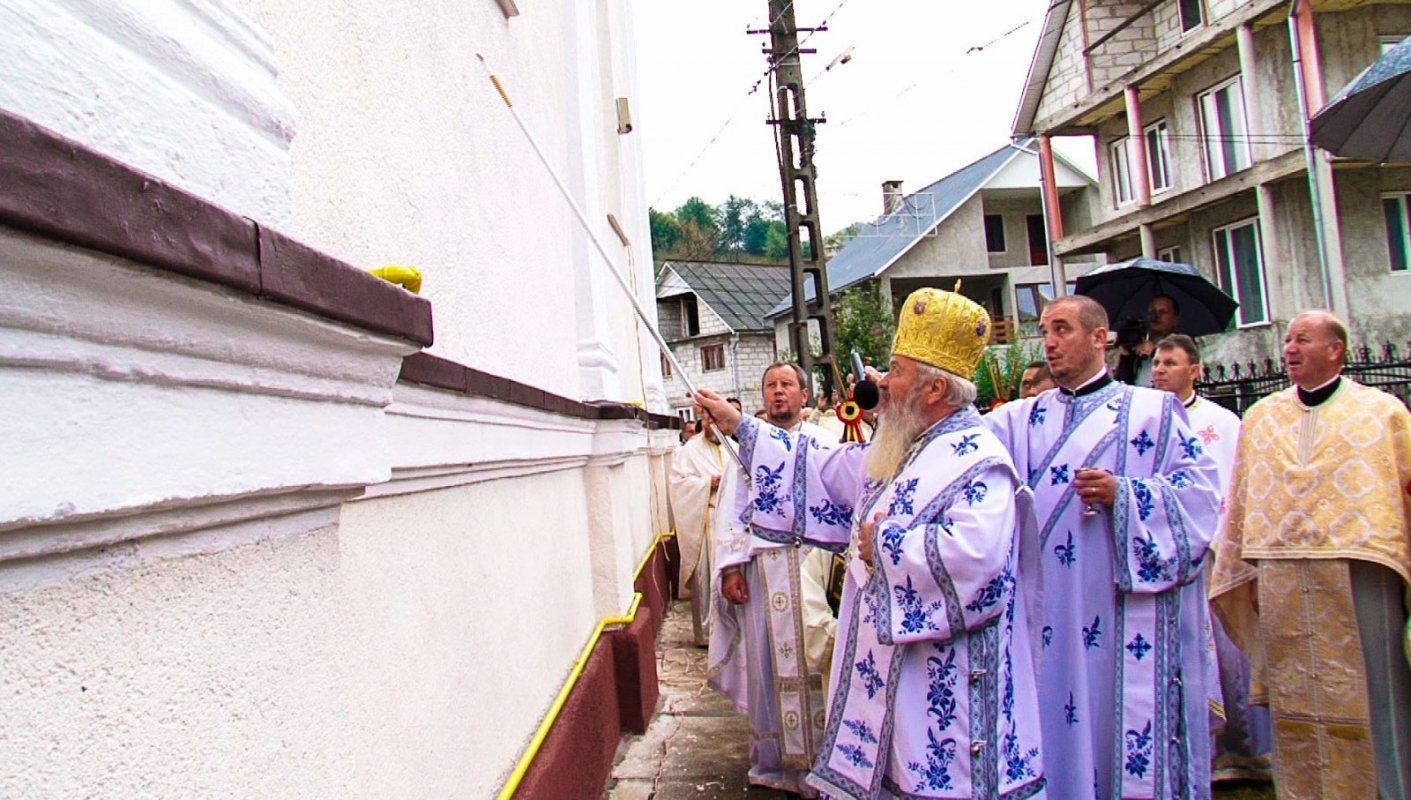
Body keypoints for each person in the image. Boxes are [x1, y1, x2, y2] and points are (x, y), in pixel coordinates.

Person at [697, 289, 1047, 799]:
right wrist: (742, 429)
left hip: (947, 685)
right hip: (894, 677)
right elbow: (823, 471)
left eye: (897, 370)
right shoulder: (906, 445)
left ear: (933, 390)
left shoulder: (977, 460)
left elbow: (977, 561)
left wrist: (882, 543)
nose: (881, 381)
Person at [984, 294, 1221, 799]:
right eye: (1045, 330)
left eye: (1063, 329)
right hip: (1044, 609)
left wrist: (1126, 495)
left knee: (1111, 717)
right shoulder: (1017, 419)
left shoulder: (1153, 412)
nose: (1049, 342)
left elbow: (1201, 498)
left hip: (1116, 609)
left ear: (1099, 337)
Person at [1210, 310, 1411, 799]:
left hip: (1361, 569)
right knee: (1294, 701)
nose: (1291, 348)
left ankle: (1391, 789)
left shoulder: (1381, 413)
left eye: (1303, 339)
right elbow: (1243, 500)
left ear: (1336, 349)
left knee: (1375, 693)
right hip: (1279, 577)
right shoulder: (1261, 417)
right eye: (1289, 340)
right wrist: (1242, 567)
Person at [705, 362, 839, 796]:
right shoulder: (745, 446)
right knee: (769, 663)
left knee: (818, 658)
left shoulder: (825, 441)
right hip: (765, 572)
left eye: (787, 385)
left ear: (804, 394)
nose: (778, 392)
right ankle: (775, 762)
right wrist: (729, 568)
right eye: (771, 386)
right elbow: (732, 509)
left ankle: (826, 759)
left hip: (813, 566)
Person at [1151, 334, 1271, 784]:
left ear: (1195, 370)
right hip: (1170, 553)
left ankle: (1246, 750)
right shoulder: (1149, 420)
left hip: (1216, 552)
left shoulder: (1222, 423)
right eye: (1158, 362)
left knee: (1230, 655)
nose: (1160, 370)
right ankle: (1201, 748)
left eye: (1171, 362)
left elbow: (1239, 485)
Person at [668, 404, 728, 647]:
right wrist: (707, 483)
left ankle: (733, 632)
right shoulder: (689, 451)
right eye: (710, 420)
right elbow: (678, 484)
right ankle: (707, 635)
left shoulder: (733, 448)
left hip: (731, 525)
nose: (715, 425)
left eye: (719, 419)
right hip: (706, 521)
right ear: (703, 420)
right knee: (707, 579)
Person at [1115, 294, 1181, 387]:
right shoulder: (1140, 340)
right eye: (1153, 312)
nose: (1156, 316)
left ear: (1175, 319)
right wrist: (1126, 357)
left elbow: (1181, 373)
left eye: (1163, 312)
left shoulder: (1182, 343)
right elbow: (1122, 382)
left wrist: (1154, 352)